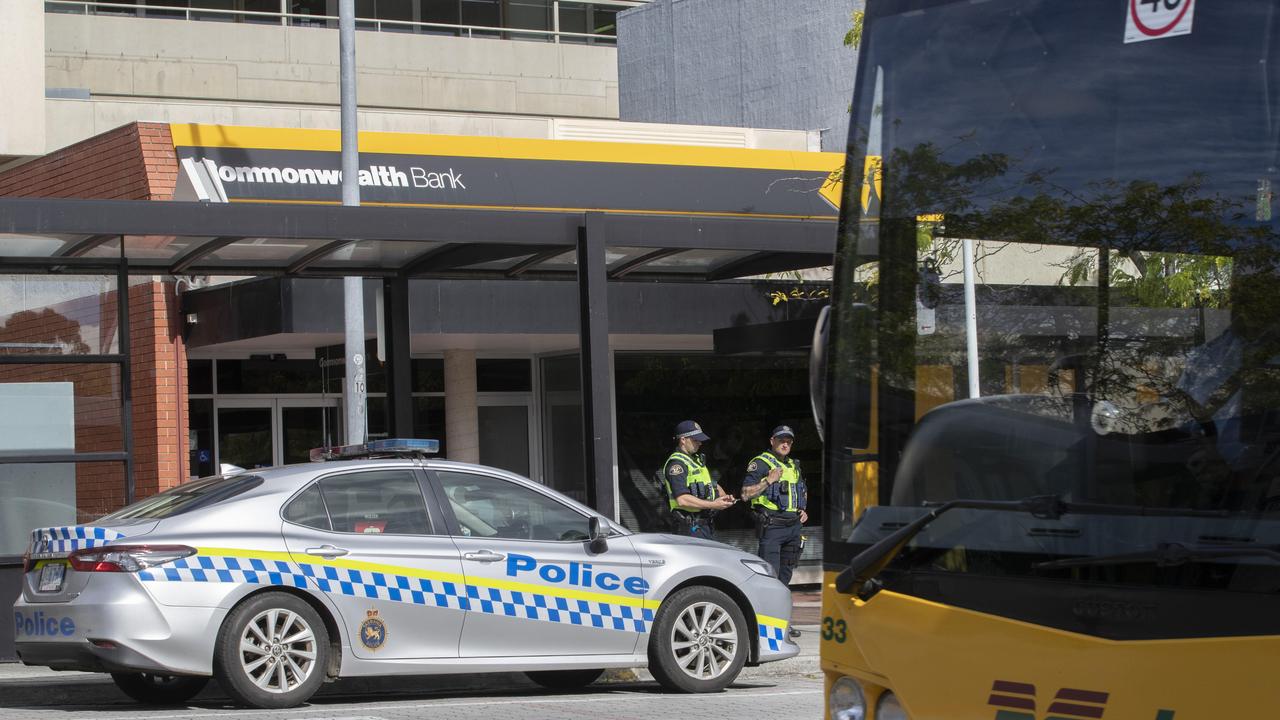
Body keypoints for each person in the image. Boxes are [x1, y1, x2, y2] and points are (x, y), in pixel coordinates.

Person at [742, 425, 809, 585]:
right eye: (781, 441)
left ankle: (780, 609)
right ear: (772, 441)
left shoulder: (794, 465)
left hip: (794, 528)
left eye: (789, 442)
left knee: (785, 577)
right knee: (769, 578)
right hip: (772, 528)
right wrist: (768, 480)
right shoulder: (760, 463)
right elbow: (745, 494)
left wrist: (802, 509)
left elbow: (800, 490)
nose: (785, 445)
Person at [660, 420, 735, 539]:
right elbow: (682, 500)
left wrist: (722, 498)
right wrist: (713, 504)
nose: (699, 443)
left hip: (704, 526)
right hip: (688, 528)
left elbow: (710, 484)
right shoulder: (676, 464)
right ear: (683, 440)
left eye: (700, 440)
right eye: (695, 440)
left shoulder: (696, 461)